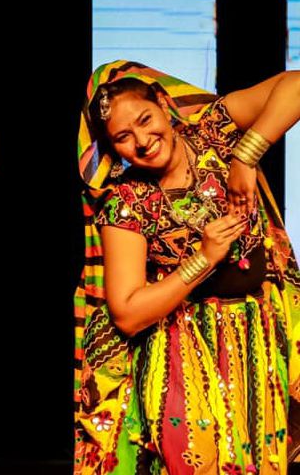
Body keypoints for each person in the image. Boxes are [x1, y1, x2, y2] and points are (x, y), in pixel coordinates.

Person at [74, 60, 300, 474]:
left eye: (145, 120)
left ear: (164, 105)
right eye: (123, 137)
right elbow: (127, 313)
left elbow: (297, 84)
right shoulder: (127, 204)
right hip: (183, 356)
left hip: (260, 338)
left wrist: (246, 155)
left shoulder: (216, 133)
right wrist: (203, 259)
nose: (143, 141)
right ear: (111, 148)